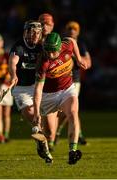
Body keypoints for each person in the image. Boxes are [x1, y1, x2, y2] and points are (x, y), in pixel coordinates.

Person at [33, 32, 89, 164]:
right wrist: (36, 112)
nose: (50, 55)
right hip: (48, 96)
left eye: (53, 52)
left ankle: (72, 151)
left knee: (73, 114)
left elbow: (72, 41)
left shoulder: (66, 45)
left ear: (59, 47)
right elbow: (38, 89)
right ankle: (42, 146)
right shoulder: (43, 63)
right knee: (50, 133)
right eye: (48, 51)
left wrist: (79, 59)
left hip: (67, 89)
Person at [8, 20, 53, 163]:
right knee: (31, 115)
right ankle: (43, 146)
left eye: (37, 32)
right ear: (25, 32)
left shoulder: (42, 47)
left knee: (49, 129)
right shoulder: (19, 46)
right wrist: (13, 75)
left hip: (38, 85)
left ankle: (43, 141)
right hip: (21, 87)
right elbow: (12, 63)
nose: (34, 35)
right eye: (32, 32)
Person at [55, 21, 92, 145]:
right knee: (66, 111)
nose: (72, 31)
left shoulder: (81, 45)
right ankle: (59, 132)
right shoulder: (61, 43)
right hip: (61, 79)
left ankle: (63, 132)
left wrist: (77, 57)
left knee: (71, 110)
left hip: (74, 80)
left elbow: (88, 62)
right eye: (70, 28)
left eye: (74, 29)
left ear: (78, 31)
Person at [38, 13, 58, 151]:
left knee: (49, 128)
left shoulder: (56, 40)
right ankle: (43, 144)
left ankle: (49, 140)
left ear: (52, 26)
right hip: (36, 84)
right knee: (37, 118)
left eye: (48, 24)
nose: (45, 27)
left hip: (52, 86)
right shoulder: (33, 40)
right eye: (42, 24)